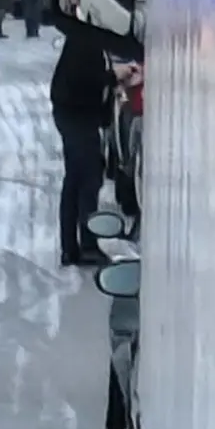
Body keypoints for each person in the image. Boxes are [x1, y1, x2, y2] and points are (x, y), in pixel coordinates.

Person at [50, 33, 136, 266]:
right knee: (88, 178)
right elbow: (85, 79)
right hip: (77, 116)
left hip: (72, 114)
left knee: (76, 180)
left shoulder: (85, 40)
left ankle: (71, 247)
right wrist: (113, 76)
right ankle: (86, 244)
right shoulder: (86, 42)